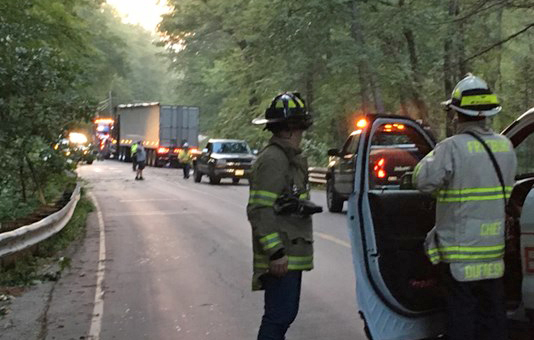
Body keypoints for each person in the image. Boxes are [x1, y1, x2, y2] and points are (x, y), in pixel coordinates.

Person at [413, 74, 517, 340]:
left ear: (456, 114)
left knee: (461, 318)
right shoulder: (505, 147)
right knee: (493, 315)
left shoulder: (451, 148)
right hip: (493, 253)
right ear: (487, 115)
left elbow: (422, 180)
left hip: (460, 256)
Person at [248, 92, 321, 340]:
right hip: (282, 255)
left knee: (284, 315)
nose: (302, 135)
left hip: (290, 252)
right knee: (278, 317)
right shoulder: (273, 160)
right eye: (300, 129)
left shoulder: (288, 159)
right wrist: (276, 252)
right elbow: (259, 209)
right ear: (289, 129)